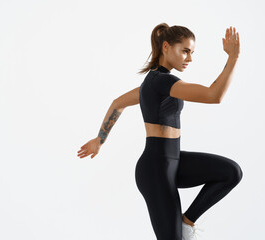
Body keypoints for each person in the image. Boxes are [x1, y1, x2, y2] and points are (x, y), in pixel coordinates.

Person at [77, 23, 243, 240]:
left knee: (231, 172)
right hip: (155, 169)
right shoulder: (162, 81)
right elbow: (214, 96)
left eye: (191, 53)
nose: (189, 58)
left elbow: (118, 103)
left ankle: (186, 223)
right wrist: (233, 58)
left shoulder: (152, 83)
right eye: (185, 51)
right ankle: (182, 228)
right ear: (166, 47)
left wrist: (99, 140)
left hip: (173, 161)